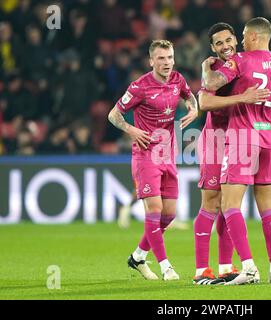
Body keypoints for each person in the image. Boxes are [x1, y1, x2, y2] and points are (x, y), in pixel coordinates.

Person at [194, 22, 271, 285]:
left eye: (234, 38)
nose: (232, 45)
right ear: (212, 47)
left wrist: (206, 69)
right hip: (248, 136)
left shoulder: (238, 62)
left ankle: (240, 267)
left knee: (228, 205)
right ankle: (269, 269)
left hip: (240, 135)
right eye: (219, 43)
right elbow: (262, 92)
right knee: (229, 203)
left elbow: (209, 91)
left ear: (250, 36)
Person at [108, 40, 198, 281]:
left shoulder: (178, 79)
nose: (166, 62)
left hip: (168, 155)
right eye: (161, 58)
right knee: (155, 212)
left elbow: (191, 98)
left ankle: (137, 257)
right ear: (151, 61)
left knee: (168, 216)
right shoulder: (139, 87)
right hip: (146, 155)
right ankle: (166, 266)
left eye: (169, 57)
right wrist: (131, 130)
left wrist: (194, 109)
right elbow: (113, 115)